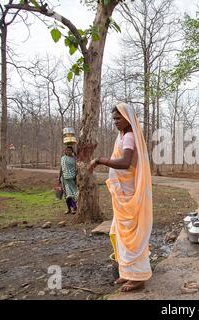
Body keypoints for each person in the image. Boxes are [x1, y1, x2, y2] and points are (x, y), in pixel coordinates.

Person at [87, 102, 152, 292]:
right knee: (121, 235)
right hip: (123, 195)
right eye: (113, 118)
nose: (114, 121)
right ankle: (127, 273)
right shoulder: (123, 135)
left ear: (127, 118)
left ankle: (138, 277)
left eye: (118, 118)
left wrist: (99, 160)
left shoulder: (130, 136)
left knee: (132, 235)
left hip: (129, 194)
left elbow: (125, 163)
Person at [59, 145, 78, 214]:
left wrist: (76, 177)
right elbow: (61, 168)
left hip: (72, 178)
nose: (68, 151)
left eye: (70, 150)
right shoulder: (63, 158)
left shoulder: (75, 159)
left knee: (73, 194)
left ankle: (74, 208)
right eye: (67, 150)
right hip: (64, 179)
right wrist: (59, 178)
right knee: (66, 194)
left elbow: (77, 168)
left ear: (72, 151)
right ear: (65, 151)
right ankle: (69, 209)